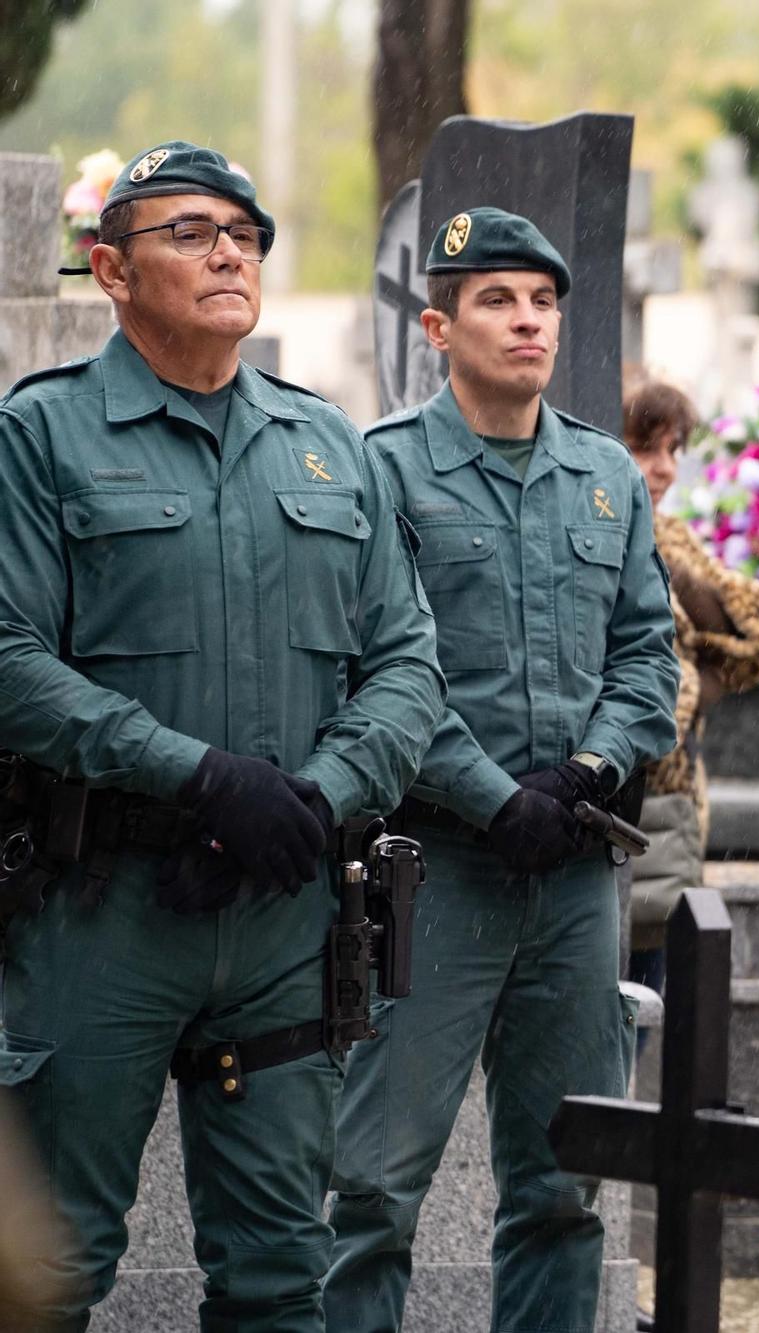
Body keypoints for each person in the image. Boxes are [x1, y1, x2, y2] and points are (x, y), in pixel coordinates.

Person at [0, 140, 445, 1331]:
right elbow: (8, 662)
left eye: (244, 231)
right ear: (110, 269)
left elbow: (406, 665)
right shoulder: (40, 437)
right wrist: (195, 778)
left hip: (283, 912)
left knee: (277, 1274)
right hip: (103, 906)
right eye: (189, 232)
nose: (228, 250)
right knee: (44, 1271)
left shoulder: (325, 443)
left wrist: (313, 795)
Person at [325, 207, 680, 1333]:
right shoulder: (382, 472)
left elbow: (645, 653)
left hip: (573, 880)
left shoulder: (605, 476)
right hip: (436, 876)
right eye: (496, 299)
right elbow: (372, 668)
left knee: (564, 1184)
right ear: (437, 324)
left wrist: (588, 768)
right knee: (374, 1186)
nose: (527, 321)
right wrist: (491, 795)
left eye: (541, 302)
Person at [618, 380, 759, 998]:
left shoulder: (673, 539)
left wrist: (699, 681)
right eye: (645, 448)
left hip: (667, 820)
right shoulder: (593, 533)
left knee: (643, 1004)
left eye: (672, 450)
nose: (663, 468)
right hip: (602, 804)